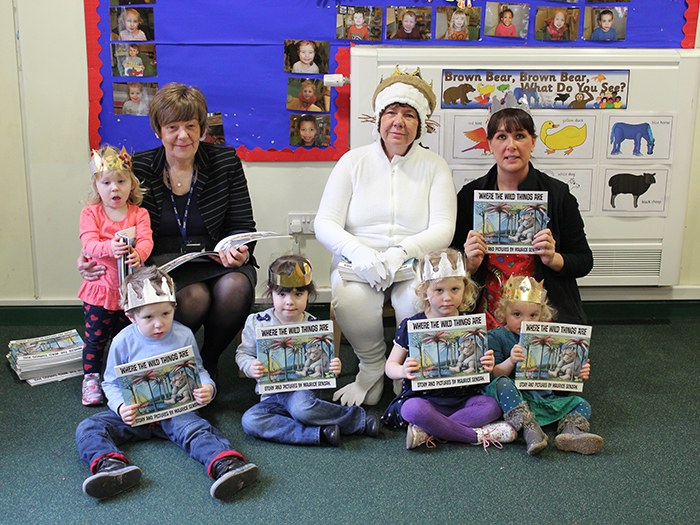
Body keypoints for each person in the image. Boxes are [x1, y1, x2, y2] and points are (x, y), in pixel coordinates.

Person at [79, 82, 257, 379]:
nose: (183, 135)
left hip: (217, 259)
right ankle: (181, 362)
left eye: (191, 125)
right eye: (172, 126)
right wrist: (89, 256)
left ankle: (208, 361)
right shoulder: (140, 166)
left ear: (202, 128)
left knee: (235, 288)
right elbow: (113, 219)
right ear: (158, 130)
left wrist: (241, 251)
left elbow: (243, 225)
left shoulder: (225, 162)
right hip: (161, 260)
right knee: (193, 296)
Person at [315, 67, 457, 407]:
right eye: (391, 112)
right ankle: (371, 367)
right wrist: (359, 254)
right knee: (351, 301)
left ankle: (405, 370)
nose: (399, 122)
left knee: (416, 303)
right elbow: (325, 222)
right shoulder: (352, 162)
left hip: (414, 262)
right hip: (358, 262)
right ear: (377, 119)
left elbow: (443, 227)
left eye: (409, 115)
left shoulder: (434, 166)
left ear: (421, 124)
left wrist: (401, 253)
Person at [75, 266, 259, 500]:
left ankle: (226, 464)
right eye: (148, 317)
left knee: (197, 429)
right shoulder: (122, 341)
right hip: (136, 415)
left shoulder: (183, 335)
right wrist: (121, 407)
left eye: (165, 314)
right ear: (131, 316)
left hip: (175, 412)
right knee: (89, 427)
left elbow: (198, 369)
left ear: (174, 308)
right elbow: (110, 383)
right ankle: (110, 467)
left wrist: (207, 388)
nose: (159, 324)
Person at [451, 91, 593, 329]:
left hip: (542, 308)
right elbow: (450, 263)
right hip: (487, 307)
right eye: (501, 137)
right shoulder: (470, 195)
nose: (511, 146)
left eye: (519, 136)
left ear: (533, 141)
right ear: (489, 144)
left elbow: (584, 261)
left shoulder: (558, 195)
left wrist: (554, 259)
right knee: (487, 365)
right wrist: (468, 264)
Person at [236, 255, 381, 446]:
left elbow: (324, 362)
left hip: (303, 393)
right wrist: (249, 366)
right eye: (282, 294)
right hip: (271, 396)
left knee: (302, 410)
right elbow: (243, 353)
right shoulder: (256, 322)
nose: (290, 301)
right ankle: (319, 433)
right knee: (251, 420)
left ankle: (359, 420)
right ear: (271, 293)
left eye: (298, 294)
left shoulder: (314, 326)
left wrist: (333, 367)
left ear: (308, 295)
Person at [383, 249, 515, 450]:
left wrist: (488, 365)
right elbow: (390, 366)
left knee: (492, 407)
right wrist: (402, 370)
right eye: (439, 290)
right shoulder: (411, 325)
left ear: (465, 289)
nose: (447, 297)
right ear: (424, 291)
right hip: (425, 399)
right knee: (412, 410)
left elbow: (484, 367)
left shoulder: (470, 324)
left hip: (464, 399)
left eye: (455, 289)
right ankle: (474, 436)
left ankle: (429, 431)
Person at [485, 275, 604, 455]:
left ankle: (571, 434)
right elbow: (494, 373)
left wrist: (577, 373)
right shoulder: (497, 337)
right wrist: (511, 361)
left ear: (542, 315)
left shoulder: (547, 338)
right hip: (515, 402)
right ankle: (528, 428)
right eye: (517, 314)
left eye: (533, 315)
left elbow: (559, 376)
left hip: (544, 400)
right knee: (501, 383)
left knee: (582, 404)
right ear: (503, 313)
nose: (526, 321)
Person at [78, 146, 153, 406]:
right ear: (96, 187)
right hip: (100, 290)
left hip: (128, 292)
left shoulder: (139, 213)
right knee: (96, 337)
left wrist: (139, 254)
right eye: (106, 182)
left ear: (131, 185)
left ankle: (124, 375)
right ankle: (91, 377)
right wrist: (109, 248)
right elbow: (88, 243)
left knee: (127, 336)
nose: (114, 188)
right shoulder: (91, 213)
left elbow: (146, 240)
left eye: (121, 181)